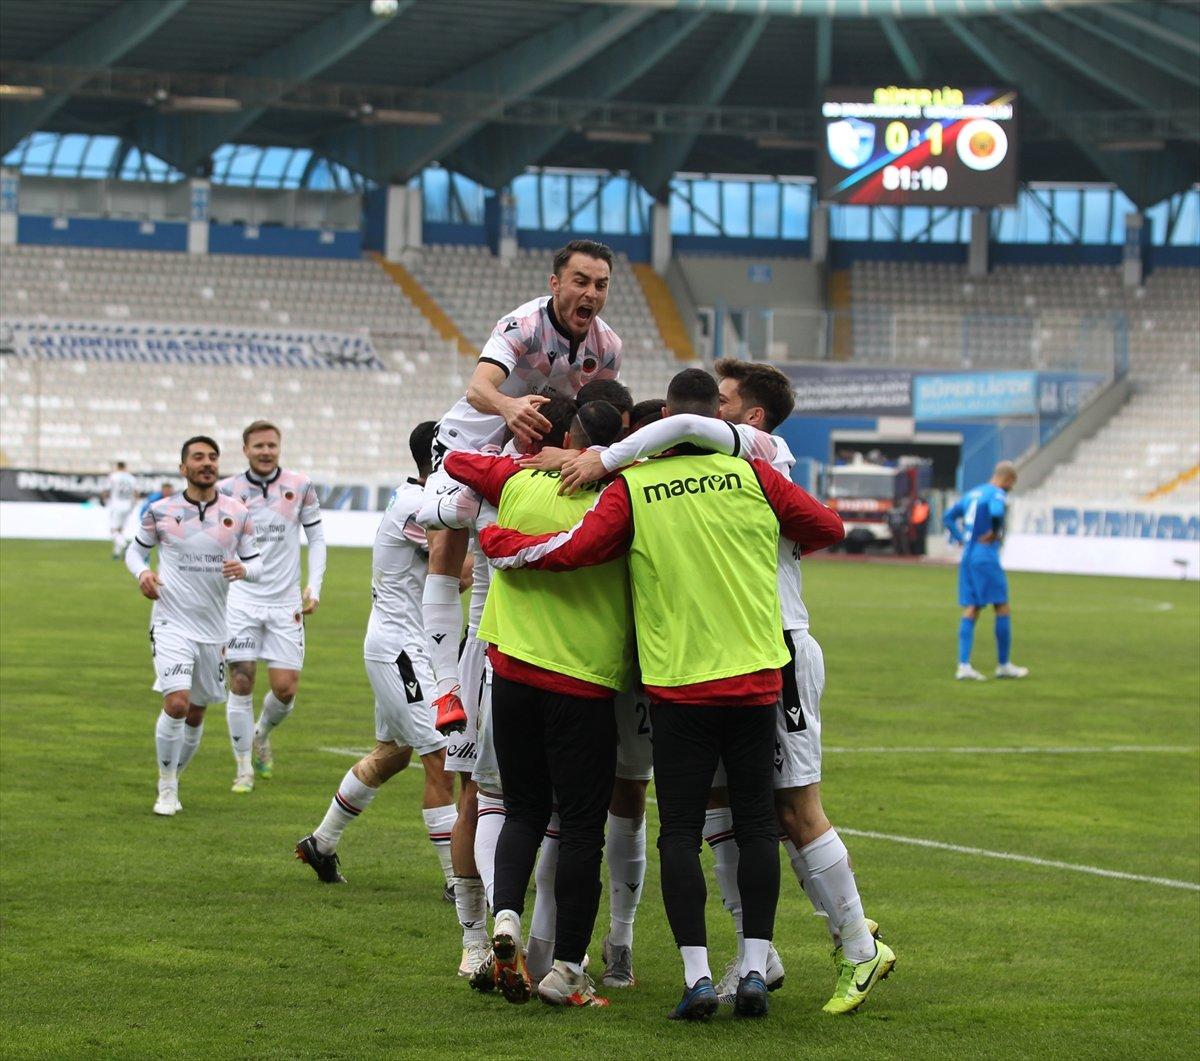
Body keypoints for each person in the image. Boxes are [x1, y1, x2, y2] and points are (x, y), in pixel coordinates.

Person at [480, 368, 845, 1022]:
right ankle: (755, 967)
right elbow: (826, 528)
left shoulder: (636, 485)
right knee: (754, 823)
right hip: (756, 672)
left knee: (677, 831)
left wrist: (502, 545)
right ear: (715, 419)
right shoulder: (756, 474)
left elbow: (578, 548)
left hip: (677, 680)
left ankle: (695, 976)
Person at [560, 357, 895, 1015]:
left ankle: (858, 944)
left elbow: (682, 425)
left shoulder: (763, 452)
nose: (715, 408)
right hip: (732, 655)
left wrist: (602, 458)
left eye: (726, 398)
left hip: (777, 644)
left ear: (750, 416)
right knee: (723, 808)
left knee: (792, 808)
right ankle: (755, 955)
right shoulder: (729, 461)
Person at [437, 396, 629, 1009]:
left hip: (512, 674)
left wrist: (523, 454)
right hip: (583, 679)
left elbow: (457, 459)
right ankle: (567, 970)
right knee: (581, 831)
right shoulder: (622, 493)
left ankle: (505, 919)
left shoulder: (517, 479)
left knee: (520, 810)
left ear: (565, 436)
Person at [417, 241, 622, 737]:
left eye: (600, 285)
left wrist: (583, 456)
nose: (590, 293)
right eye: (580, 281)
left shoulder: (608, 346)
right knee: (446, 544)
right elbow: (478, 389)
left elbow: (597, 415)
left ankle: (481, 695)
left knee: (494, 577)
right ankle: (444, 687)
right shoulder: (523, 324)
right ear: (555, 283)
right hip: (467, 442)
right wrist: (509, 407)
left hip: (522, 456)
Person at [294, 424, 461, 938]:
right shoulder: (418, 505)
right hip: (402, 651)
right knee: (441, 756)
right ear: (442, 456)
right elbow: (456, 571)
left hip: (401, 645)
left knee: (391, 755)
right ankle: (459, 881)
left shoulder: (416, 497)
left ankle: (320, 844)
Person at [125, 437, 261, 816]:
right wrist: (143, 573)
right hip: (171, 621)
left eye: (212, 457)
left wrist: (244, 569)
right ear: (183, 468)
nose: (207, 463)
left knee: (197, 713)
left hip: (214, 629)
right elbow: (135, 550)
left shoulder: (238, 513)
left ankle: (174, 775)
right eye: (198, 457)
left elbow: (257, 563)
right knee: (177, 703)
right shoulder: (160, 511)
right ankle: (167, 788)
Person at [218, 421, 327, 791]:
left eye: (271, 445)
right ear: (245, 450)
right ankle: (243, 769)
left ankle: (260, 734)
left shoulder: (300, 485)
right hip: (242, 600)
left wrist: (314, 585)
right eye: (258, 446)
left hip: (285, 603)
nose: (266, 451)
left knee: (285, 689)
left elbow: (317, 538)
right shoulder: (227, 490)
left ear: (279, 448)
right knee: (241, 680)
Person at [943, 461, 1028, 681]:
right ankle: (1003, 665)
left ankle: (963, 666)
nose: (1010, 488)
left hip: (968, 555)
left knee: (972, 607)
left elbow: (948, 517)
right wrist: (995, 532)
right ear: (1008, 479)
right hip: (985, 555)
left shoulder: (972, 493)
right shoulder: (997, 494)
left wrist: (961, 538)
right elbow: (997, 511)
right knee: (1002, 605)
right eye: (1011, 484)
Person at [104, 460, 138, 559]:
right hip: (128, 505)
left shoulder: (113, 476)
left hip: (116, 505)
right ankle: (116, 554)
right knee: (120, 530)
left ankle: (126, 546)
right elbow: (136, 492)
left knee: (113, 531)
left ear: (117, 467)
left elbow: (106, 490)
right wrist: (134, 504)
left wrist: (104, 499)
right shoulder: (131, 478)